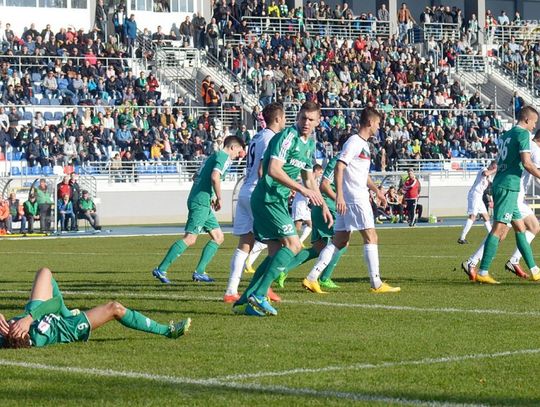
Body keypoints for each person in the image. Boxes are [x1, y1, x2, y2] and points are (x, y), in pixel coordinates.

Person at [232, 101, 333, 317]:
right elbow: (273, 170)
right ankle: (259, 295)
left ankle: (245, 300)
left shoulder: (309, 145)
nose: (306, 122)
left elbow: (309, 179)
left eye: (311, 119)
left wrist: (323, 204)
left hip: (275, 199)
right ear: (297, 117)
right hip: (268, 198)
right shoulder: (288, 137)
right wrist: (301, 189)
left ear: (318, 121)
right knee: (294, 245)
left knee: (277, 251)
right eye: (303, 118)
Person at [304, 107, 401, 294]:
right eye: (378, 123)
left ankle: (311, 278)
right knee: (371, 237)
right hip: (355, 198)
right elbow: (339, 167)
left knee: (339, 241)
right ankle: (376, 283)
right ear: (370, 122)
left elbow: (362, 175)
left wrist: (377, 191)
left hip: (354, 197)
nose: (379, 127)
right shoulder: (355, 142)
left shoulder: (363, 144)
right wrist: (340, 195)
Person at [0, 267, 191, 348]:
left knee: (45, 273)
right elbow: (55, 302)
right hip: (67, 328)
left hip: (35, 315)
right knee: (115, 308)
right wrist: (29, 319)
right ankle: (167, 331)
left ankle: (66, 313)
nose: (11, 325)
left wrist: (23, 319)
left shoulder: (8, 332)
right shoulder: (42, 335)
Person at [462, 106, 540, 284]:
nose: (534, 126)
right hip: (508, 185)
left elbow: (500, 161)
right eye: (534, 122)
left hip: (505, 183)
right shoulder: (523, 134)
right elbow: (527, 163)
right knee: (499, 229)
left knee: (521, 228)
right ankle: (482, 270)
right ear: (527, 120)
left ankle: (534, 270)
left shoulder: (506, 135)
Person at [152, 136, 246, 284]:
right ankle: (161, 269)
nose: (238, 155)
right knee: (190, 239)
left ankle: (200, 272)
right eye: (238, 151)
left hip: (203, 201)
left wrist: (211, 195)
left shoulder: (213, 156)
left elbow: (195, 176)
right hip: (201, 202)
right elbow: (215, 177)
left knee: (218, 237)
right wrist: (219, 197)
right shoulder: (223, 157)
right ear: (232, 147)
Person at [224, 103, 286, 303]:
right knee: (277, 242)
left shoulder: (257, 137)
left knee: (245, 244)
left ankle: (231, 290)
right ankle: (264, 287)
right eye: (284, 117)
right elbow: (262, 169)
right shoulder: (271, 138)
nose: (285, 121)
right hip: (257, 193)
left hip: (245, 190)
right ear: (277, 119)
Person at [458, 161, 497, 244]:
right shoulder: (484, 169)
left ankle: (492, 236)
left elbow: (489, 189)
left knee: (486, 216)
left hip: (479, 196)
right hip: (474, 194)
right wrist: (495, 170)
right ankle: (462, 237)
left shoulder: (489, 177)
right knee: (473, 216)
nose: (494, 169)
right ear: (491, 165)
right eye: (493, 167)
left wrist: (491, 200)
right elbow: (485, 173)